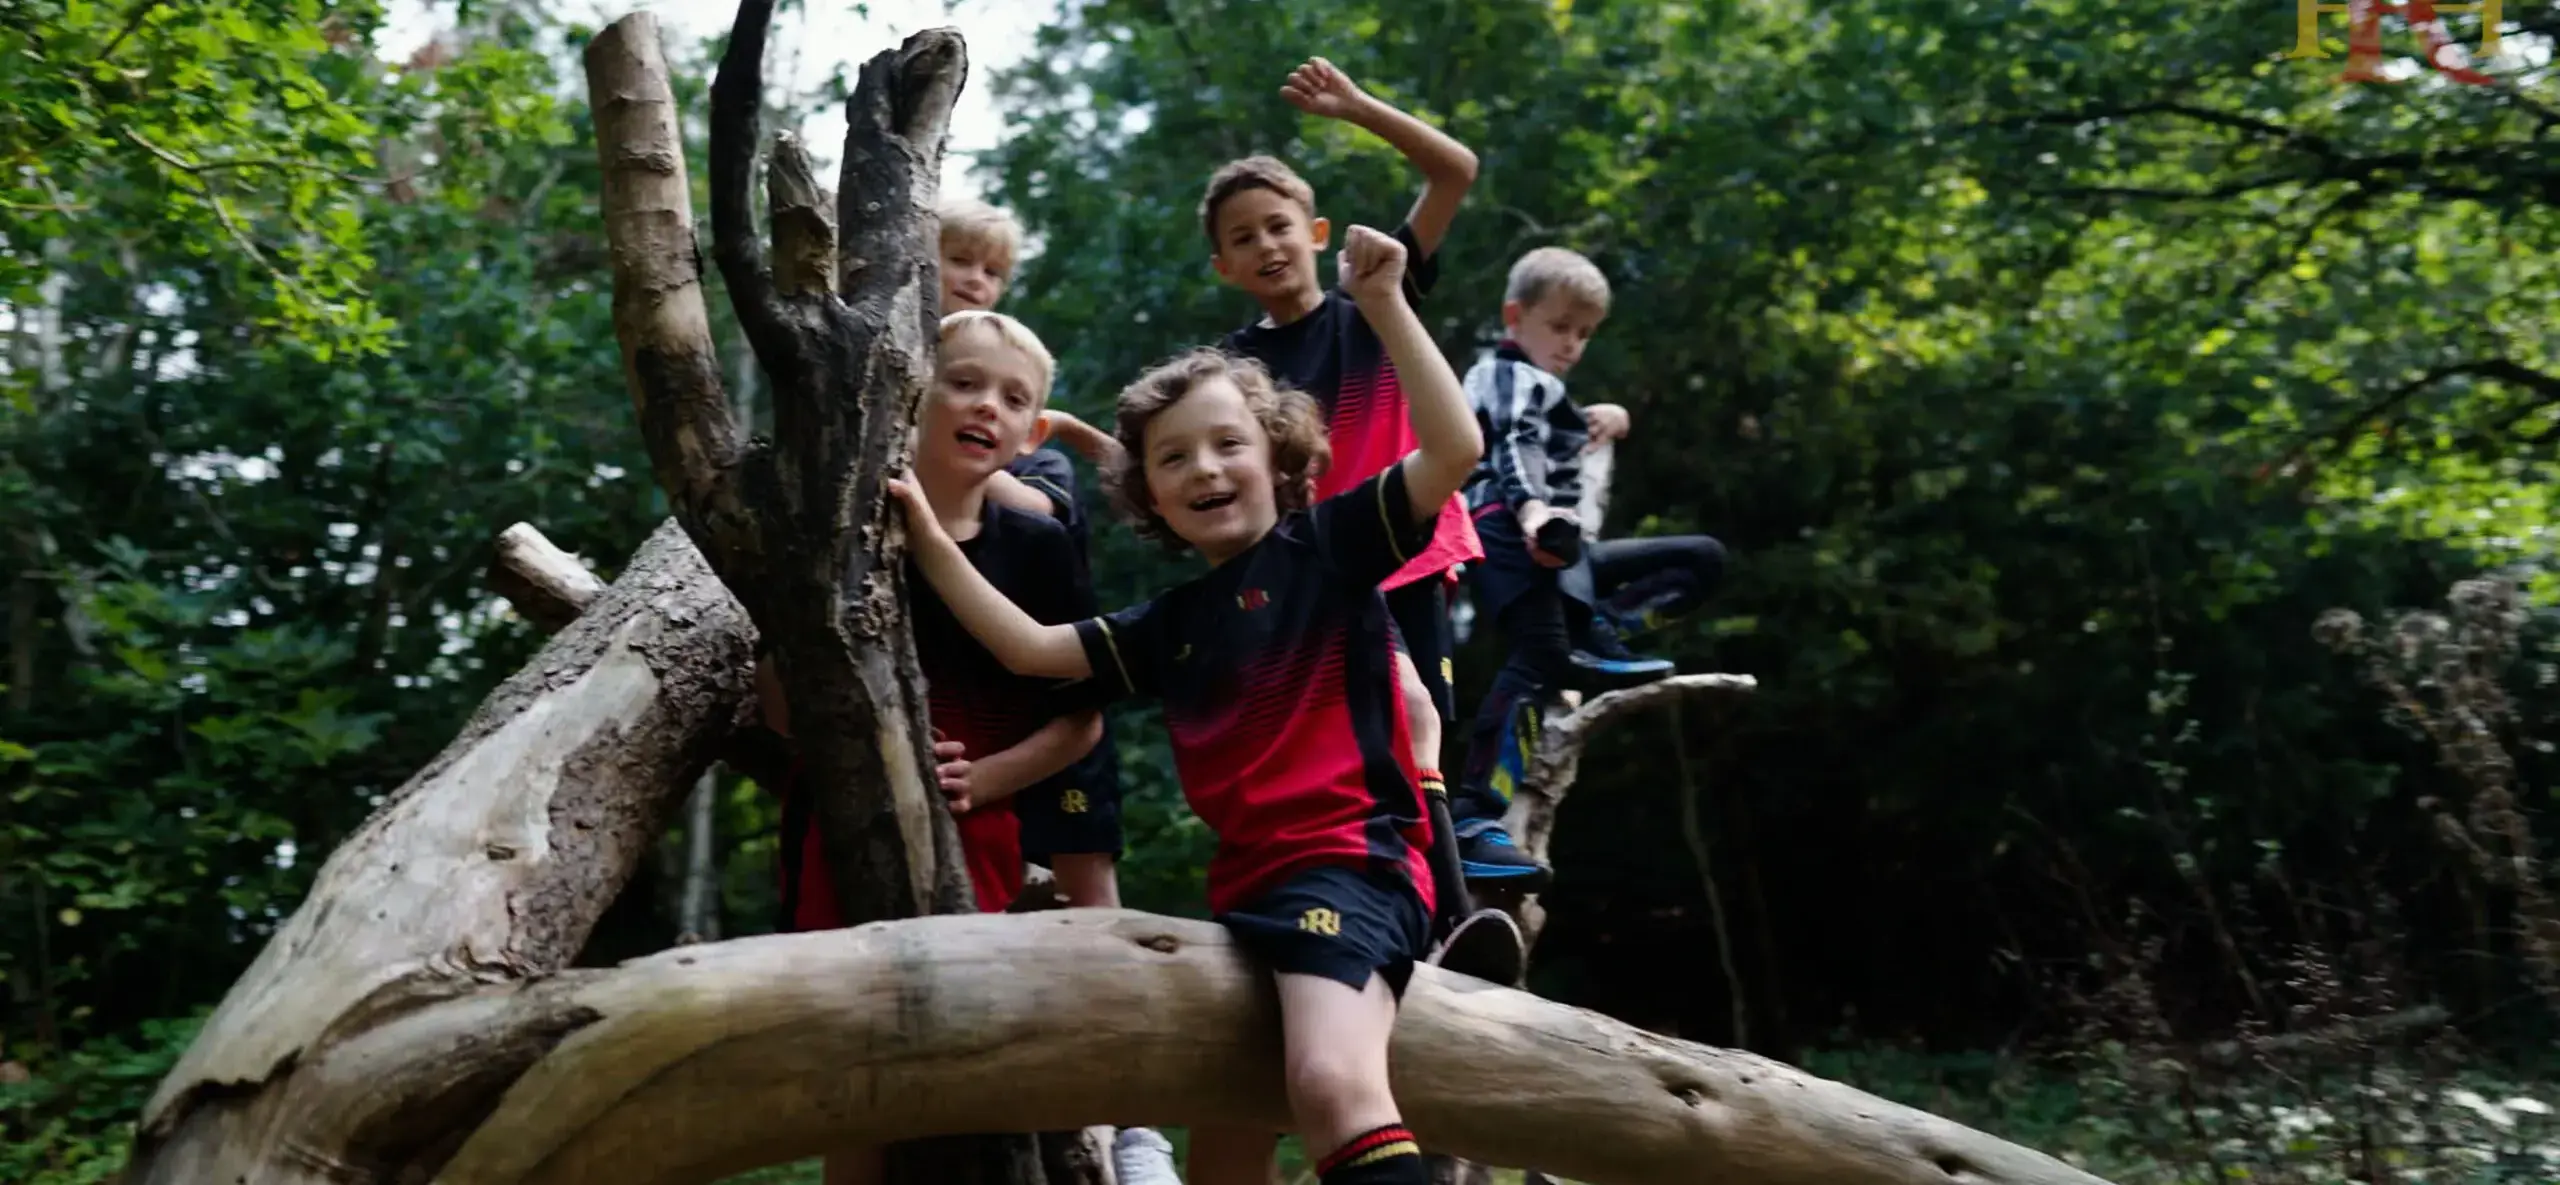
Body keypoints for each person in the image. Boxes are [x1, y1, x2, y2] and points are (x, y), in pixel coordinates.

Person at [888, 224, 1478, 1185]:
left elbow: (1455, 447)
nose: (1204, 469)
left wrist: (1384, 306)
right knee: (1227, 1144)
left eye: (1227, 445)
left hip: (1352, 868)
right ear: (1149, 498)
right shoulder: (1172, 623)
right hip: (1247, 893)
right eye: (1173, 459)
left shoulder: (1327, 550)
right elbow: (1031, 650)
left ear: (1280, 459)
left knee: (1332, 1083)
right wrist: (922, 525)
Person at [775, 310, 1107, 1185]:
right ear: (915, 391)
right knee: (858, 1052)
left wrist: (987, 777)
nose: (985, 406)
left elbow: (1083, 720)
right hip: (838, 826)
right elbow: (775, 693)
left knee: (970, 1051)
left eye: (1012, 398)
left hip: (983, 833)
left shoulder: (1035, 547)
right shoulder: (845, 528)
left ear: (1033, 433)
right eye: (963, 382)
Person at [1203, 56, 1490, 924]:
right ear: (1224, 267)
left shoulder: (1374, 297)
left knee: (1420, 722)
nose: (1267, 245)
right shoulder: (1231, 367)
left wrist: (1359, 106)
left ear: (1316, 230)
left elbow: (1456, 170)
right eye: (1244, 237)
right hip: (1314, 580)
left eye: (1279, 224)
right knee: (1355, 747)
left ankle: (1458, 907)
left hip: (1408, 554)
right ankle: (1378, 900)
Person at [1451, 246, 1728, 887]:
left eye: (1584, 333)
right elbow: (1515, 443)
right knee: (1538, 661)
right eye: (1560, 327)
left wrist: (1606, 417)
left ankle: (1596, 628)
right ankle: (1474, 815)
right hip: (1509, 528)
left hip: (1564, 549)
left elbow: (1557, 432)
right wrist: (1532, 514)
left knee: (1701, 561)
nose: (1572, 344)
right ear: (1514, 317)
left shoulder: (1544, 385)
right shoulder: (1501, 373)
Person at [930, 196, 1134, 911]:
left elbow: (1039, 509)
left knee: (1085, 869)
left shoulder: (1029, 462)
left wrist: (1058, 434)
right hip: (967, 712)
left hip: (1050, 690)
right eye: (958, 260)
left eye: (991, 271)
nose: (974, 279)